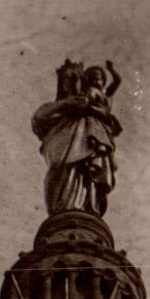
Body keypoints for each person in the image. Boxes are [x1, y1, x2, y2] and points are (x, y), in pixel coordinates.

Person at [31, 60, 122, 218]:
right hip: (64, 147)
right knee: (60, 167)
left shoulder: (94, 104)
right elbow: (38, 119)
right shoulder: (63, 106)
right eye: (67, 80)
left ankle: (88, 206)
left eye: (74, 79)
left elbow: (109, 100)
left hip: (91, 139)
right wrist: (65, 104)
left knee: (88, 170)